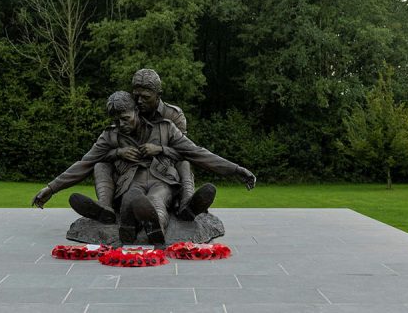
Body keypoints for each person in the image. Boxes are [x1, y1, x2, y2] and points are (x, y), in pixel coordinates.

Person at [32, 91, 255, 245]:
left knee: (158, 200)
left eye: (125, 118)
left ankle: (154, 227)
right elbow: (84, 163)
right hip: (129, 182)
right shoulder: (110, 135)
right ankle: (126, 220)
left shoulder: (166, 128)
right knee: (132, 197)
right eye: (117, 121)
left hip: (162, 180)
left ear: (137, 112)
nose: (121, 125)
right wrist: (51, 188)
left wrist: (236, 170)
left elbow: (198, 152)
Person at [69, 68, 211, 223]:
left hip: (164, 171)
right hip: (134, 172)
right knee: (101, 164)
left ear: (158, 95)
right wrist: (118, 152)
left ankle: (186, 202)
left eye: (145, 97)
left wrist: (160, 149)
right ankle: (105, 206)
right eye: (136, 96)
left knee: (184, 162)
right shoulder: (128, 112)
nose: (140, 101)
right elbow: (103, 149)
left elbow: (185, 151)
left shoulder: (173, 115)